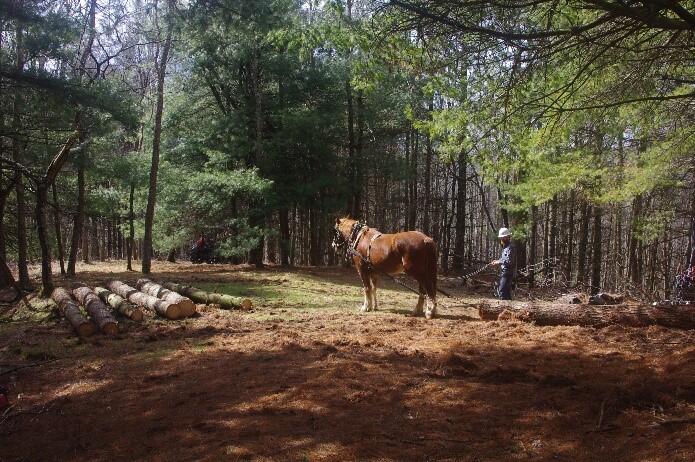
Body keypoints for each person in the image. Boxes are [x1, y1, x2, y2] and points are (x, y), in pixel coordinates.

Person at [490, 227, 514, 300]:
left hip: (507, 272)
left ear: (507, 237)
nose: (501, 239)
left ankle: (505, 308)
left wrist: (498, 262)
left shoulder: (510, 247)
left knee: (502, 291)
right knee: (505, 291)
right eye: (501, 237)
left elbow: (509, 261)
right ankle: (509, 309)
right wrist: (497, 261)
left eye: (502, 237)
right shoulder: (506, 248)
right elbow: (504, 259)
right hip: (505, 272)